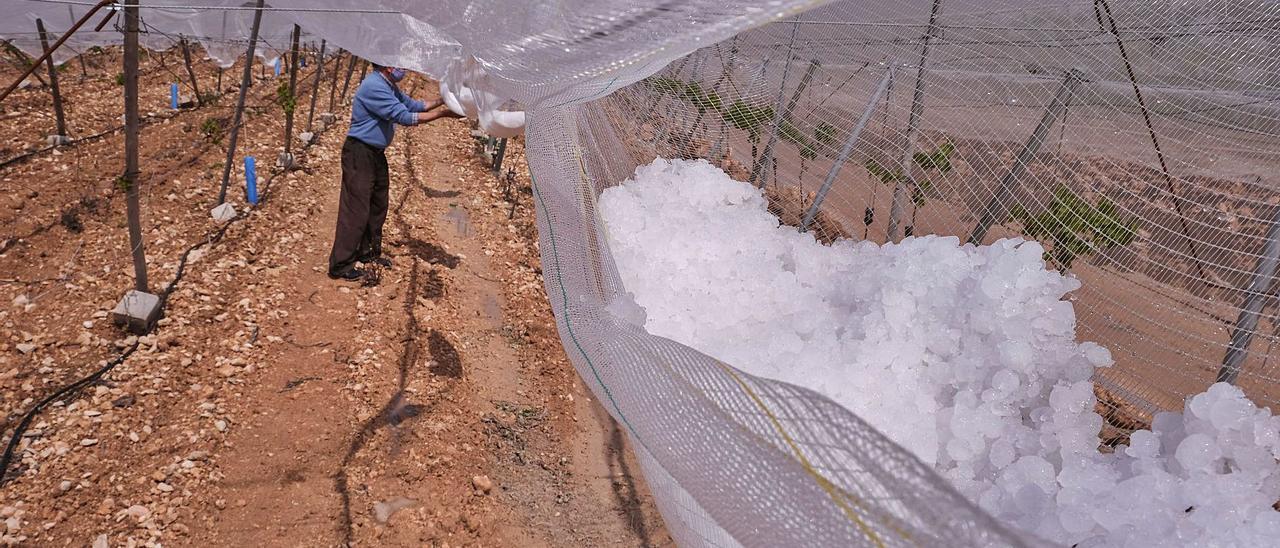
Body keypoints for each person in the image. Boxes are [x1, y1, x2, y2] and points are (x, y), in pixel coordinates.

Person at [328, 64, 460, 281]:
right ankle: (340, 265)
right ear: (387, 66)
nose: (403, 69)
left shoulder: (388, 85)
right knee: (356, 208)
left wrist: (442, 100)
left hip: (375, 153)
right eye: (399, 65)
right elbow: (405, 117)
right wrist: (443, 114)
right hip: (360, 153)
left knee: (378, 204)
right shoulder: (374, 87)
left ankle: (368, 253)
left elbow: (414, 105)